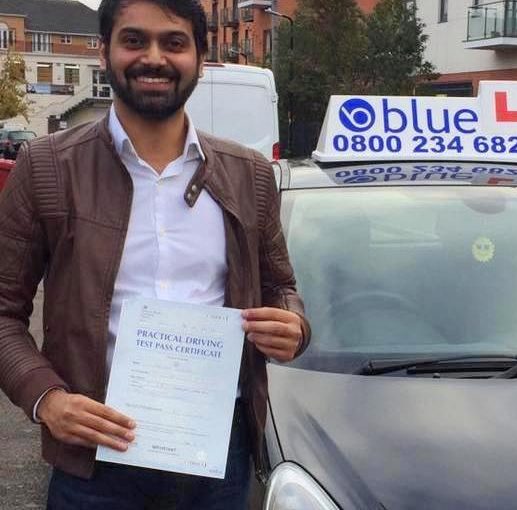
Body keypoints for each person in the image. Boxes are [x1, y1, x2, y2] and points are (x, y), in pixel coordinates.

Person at [0, 0, 310, 508]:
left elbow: (284, 291)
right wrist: (46, 400)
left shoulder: (249, 174)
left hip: (216, 460)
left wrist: (293, 327)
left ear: (201, 58)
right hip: (93, 466)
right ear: (104, 52)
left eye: (173, 42)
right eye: (134, 40)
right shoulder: (47, 168)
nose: (154, 57)